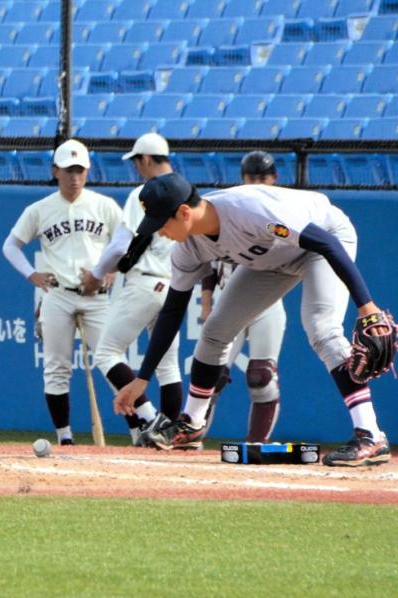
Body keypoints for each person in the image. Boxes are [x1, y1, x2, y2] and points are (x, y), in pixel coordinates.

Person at [114, 172, 391, 466]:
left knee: (322, 328)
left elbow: (325, 243)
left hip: (324, 239)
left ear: (184, 212)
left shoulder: (249, 211)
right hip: (271, 258)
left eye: (161, 223)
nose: (159, 232)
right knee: (215, 331)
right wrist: (142, 379)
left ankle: (371, 434)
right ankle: (192, 423)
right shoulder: (188, 248)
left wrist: (367, 306)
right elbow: (172, 311)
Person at [2, 139, 122, 445]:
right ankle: (64, 436)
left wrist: (112, 270)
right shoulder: (40, 209)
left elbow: (126, 243)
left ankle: (138, 428)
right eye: (68, 170)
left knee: (111, 361)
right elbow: (11, 245)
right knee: (56, 368)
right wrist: (31, 274)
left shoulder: (104, 206)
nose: (74, 176)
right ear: (56, 171)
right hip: (58, 294)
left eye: (79, 169)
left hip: (96, 297)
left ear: (88, 170)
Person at [79, 133, 183, 446]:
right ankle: (173, 433)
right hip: (175, 284)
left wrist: (97, 274)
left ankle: (151, 419)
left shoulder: (145, 192)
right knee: (167, 365)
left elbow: (120, 245)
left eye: (138, 161)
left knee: (106, 353)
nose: (137, 168)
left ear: (146, 159)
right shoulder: (188, 194)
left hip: (145, 282)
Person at [198, 151, 286, 443]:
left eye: (263, 177)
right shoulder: (229, 207)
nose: (257, 182)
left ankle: (256, 445)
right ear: (242, 179)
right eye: (252, 177)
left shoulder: (285, 212)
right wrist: (207, 302)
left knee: (261, 377)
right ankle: (192, 436)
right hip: (228, 301)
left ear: (274, 179)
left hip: (267, 303)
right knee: (213, 374)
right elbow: (211, 261)